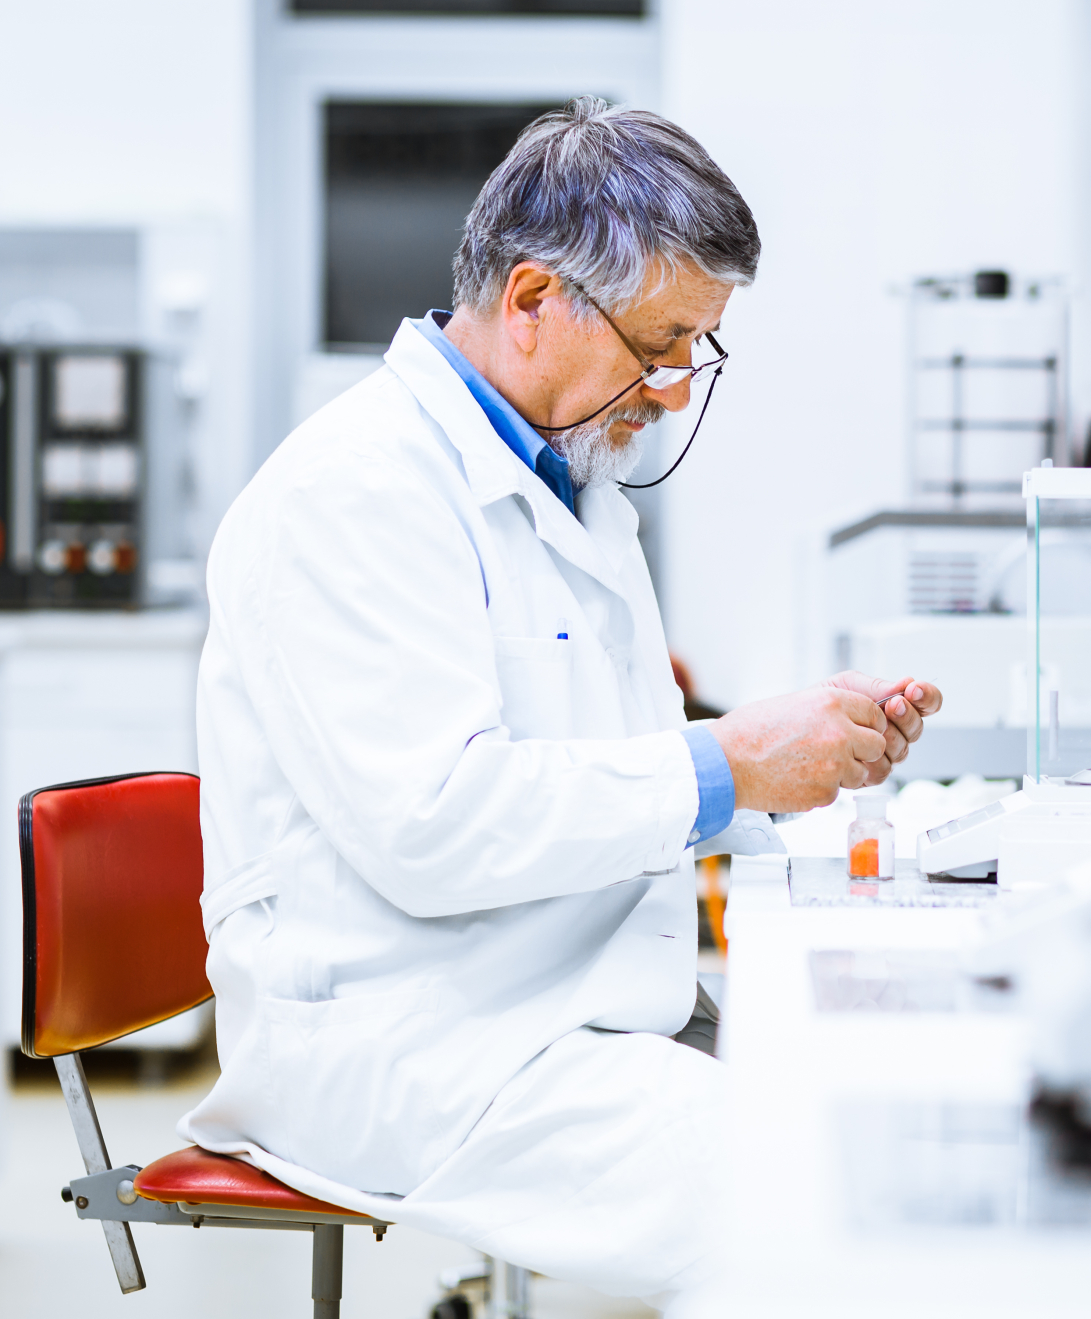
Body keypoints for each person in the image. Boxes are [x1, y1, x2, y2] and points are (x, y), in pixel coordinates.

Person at [181, 97, 942, 1309]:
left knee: (902, 1115)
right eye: (661, 345)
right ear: (534, 302)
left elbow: (606, 767)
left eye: (701, 348)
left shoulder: (571, 488)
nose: (678, 388)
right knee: (823, 1209)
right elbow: (435, 821)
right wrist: (730, 765)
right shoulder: (349, 494)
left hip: (571, 999)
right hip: (421, 1047)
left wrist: (805, 772)